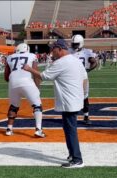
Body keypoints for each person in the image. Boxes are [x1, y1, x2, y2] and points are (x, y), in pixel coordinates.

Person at [23, 39, 86, 168]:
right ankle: (72, 154)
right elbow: (85, 78)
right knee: (68, 128)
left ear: (60, 49)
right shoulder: (75, 60)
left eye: (53, 49)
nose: (52, 52)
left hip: (69, 101)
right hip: (75, 99)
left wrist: (29, 69)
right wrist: (83, 95)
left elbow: (44, 76)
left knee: (70, 130)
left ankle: (77, 159)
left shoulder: (62, 62)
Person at [4, 43, 45, 137]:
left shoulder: (10, 57)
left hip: (13, 82)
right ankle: (38, 129)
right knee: (37, 105)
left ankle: (9, 129)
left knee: (13, 106)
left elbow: (6, 77)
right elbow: (35, 74)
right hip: (27, 82)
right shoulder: (32, 56)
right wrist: (37, 87)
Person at [70, 34, 97, 125]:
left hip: (83, 78)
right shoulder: (69, 51)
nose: (74, 46)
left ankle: (86, 116)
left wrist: (87, 70)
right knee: (71, 96)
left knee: (85, 97)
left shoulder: (87, 52)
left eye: (76, 44)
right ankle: (72, 116)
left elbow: (94, 62)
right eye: (73, 44)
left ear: (81, 43)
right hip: (71, 77)